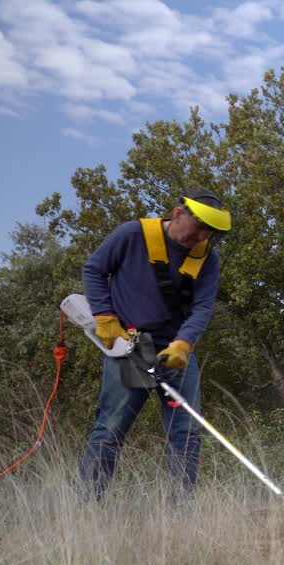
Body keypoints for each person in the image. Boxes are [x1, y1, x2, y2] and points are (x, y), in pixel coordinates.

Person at [78, 189, 230, 504]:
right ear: (178, 214)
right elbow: (94, 270)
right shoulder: (133, 234)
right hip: (129, 348)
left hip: (176, 355)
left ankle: (181, 513)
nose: (201, 236)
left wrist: (183, 343)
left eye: (209, 232)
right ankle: (87, 507)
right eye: (198, 227)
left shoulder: (207, 259)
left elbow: (203, 308)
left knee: (186, 434)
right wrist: (105, 318)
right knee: (110, 430)